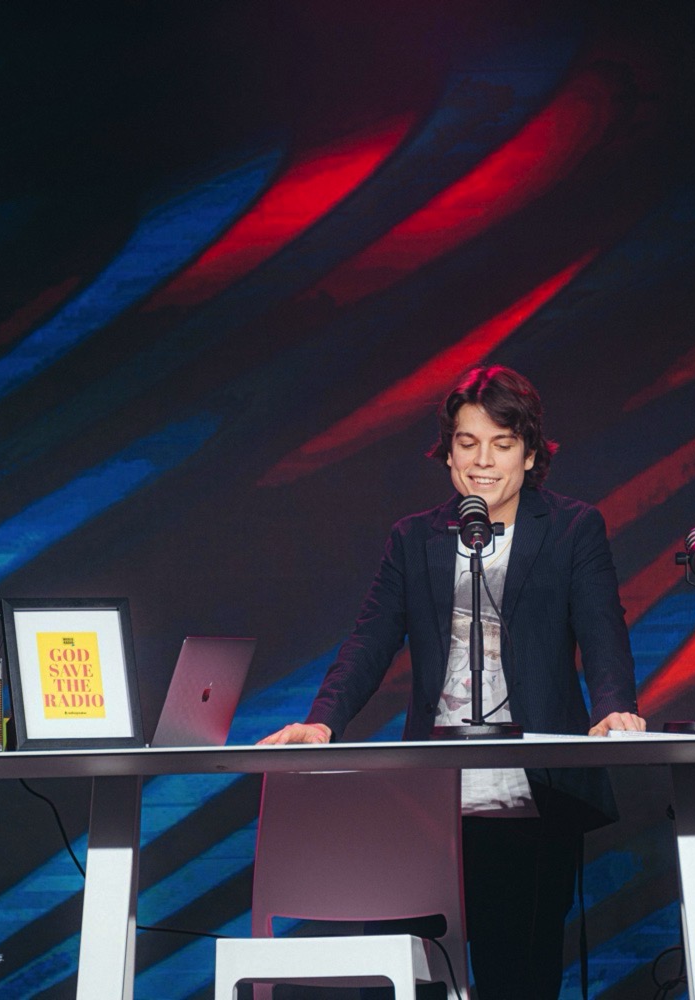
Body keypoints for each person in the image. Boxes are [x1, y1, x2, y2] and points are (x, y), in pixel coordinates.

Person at [261, 365, 645, 998]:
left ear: (529, 454)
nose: (482, 461)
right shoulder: (414, 537)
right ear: (448, 453)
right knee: (409, 971)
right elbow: (370, 639)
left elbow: (603, 629)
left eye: (501, 443)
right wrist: (323, 720)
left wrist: (614, 709)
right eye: (467, 443)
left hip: (530, 790)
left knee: (517, 974)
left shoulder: (572, 527)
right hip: (430, 794)